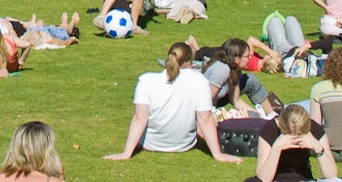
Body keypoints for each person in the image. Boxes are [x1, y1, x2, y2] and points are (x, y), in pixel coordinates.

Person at [104, 42, 242, 163]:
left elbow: (140, 118)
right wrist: (218, 155)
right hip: (184, 144)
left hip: (149, 144)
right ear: (189, 62)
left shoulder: (146, 81)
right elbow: (205, 119)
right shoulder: (199, 81)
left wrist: (126, 153)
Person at [240, 105, 342, 182]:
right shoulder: (269, 130)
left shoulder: (314, 129)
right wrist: (277, 148)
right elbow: (263, 178)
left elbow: (331, 175)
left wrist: (318, 148)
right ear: (280, 125)